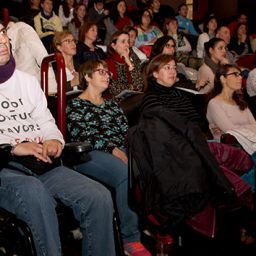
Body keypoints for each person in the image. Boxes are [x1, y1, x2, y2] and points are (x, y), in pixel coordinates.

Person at [0, 21, 116, 256]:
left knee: (98, 196)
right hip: (5, 167)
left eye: (1, 33)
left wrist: (55, 140)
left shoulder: (27, 81)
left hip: (42, 162)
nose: (2, 40)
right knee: (35, 193)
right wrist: (13, 147)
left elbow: (46, 122)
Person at [128, 53, 251, 237]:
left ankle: (237, 214)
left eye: (173, 67)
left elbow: (197, 122)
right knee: (232, 161)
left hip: (198, 141)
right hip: (178, 151)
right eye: (166, 68)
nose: (172, 71)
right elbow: (167, 135)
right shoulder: (150, 100)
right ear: (154, 74)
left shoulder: (179, 94)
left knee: (229, 161)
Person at [66, 59, 152, 256]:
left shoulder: (112, 106)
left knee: (150, 163)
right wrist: (113, 148)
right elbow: (81, 135)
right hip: (88, 155)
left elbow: (125, 132)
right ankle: (130, 238)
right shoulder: (76, 105)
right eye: (101, 72)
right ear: (87, 77)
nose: (107, 75)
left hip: (119, 150)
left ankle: (151, 222)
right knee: (124, 173)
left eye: (108, 72)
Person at [206, 64, 256, 148]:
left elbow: (254, 125)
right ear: (223, 79)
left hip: (250, 144)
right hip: (231, 150)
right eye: (235, 74)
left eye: (240, 75)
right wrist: (248, 127)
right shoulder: (214, 104)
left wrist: (243, 128)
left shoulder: (240, 102)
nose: (240, 77)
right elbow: (231, 132)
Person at [6, 20, 58, 94]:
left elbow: (42, 56)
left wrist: (51, 89)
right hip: (12, 89)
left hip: (32, 86)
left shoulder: (23, 29)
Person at [105, 30, 144, 98]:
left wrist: (129, 63)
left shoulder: (131, 62)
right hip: (116, 101)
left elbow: (139, 86)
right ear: (113, 46)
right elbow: (114, 89)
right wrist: (132, 87)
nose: (127, 45)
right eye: (123, 41)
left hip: (133, 99)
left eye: (128, 41)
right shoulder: (107, 63)